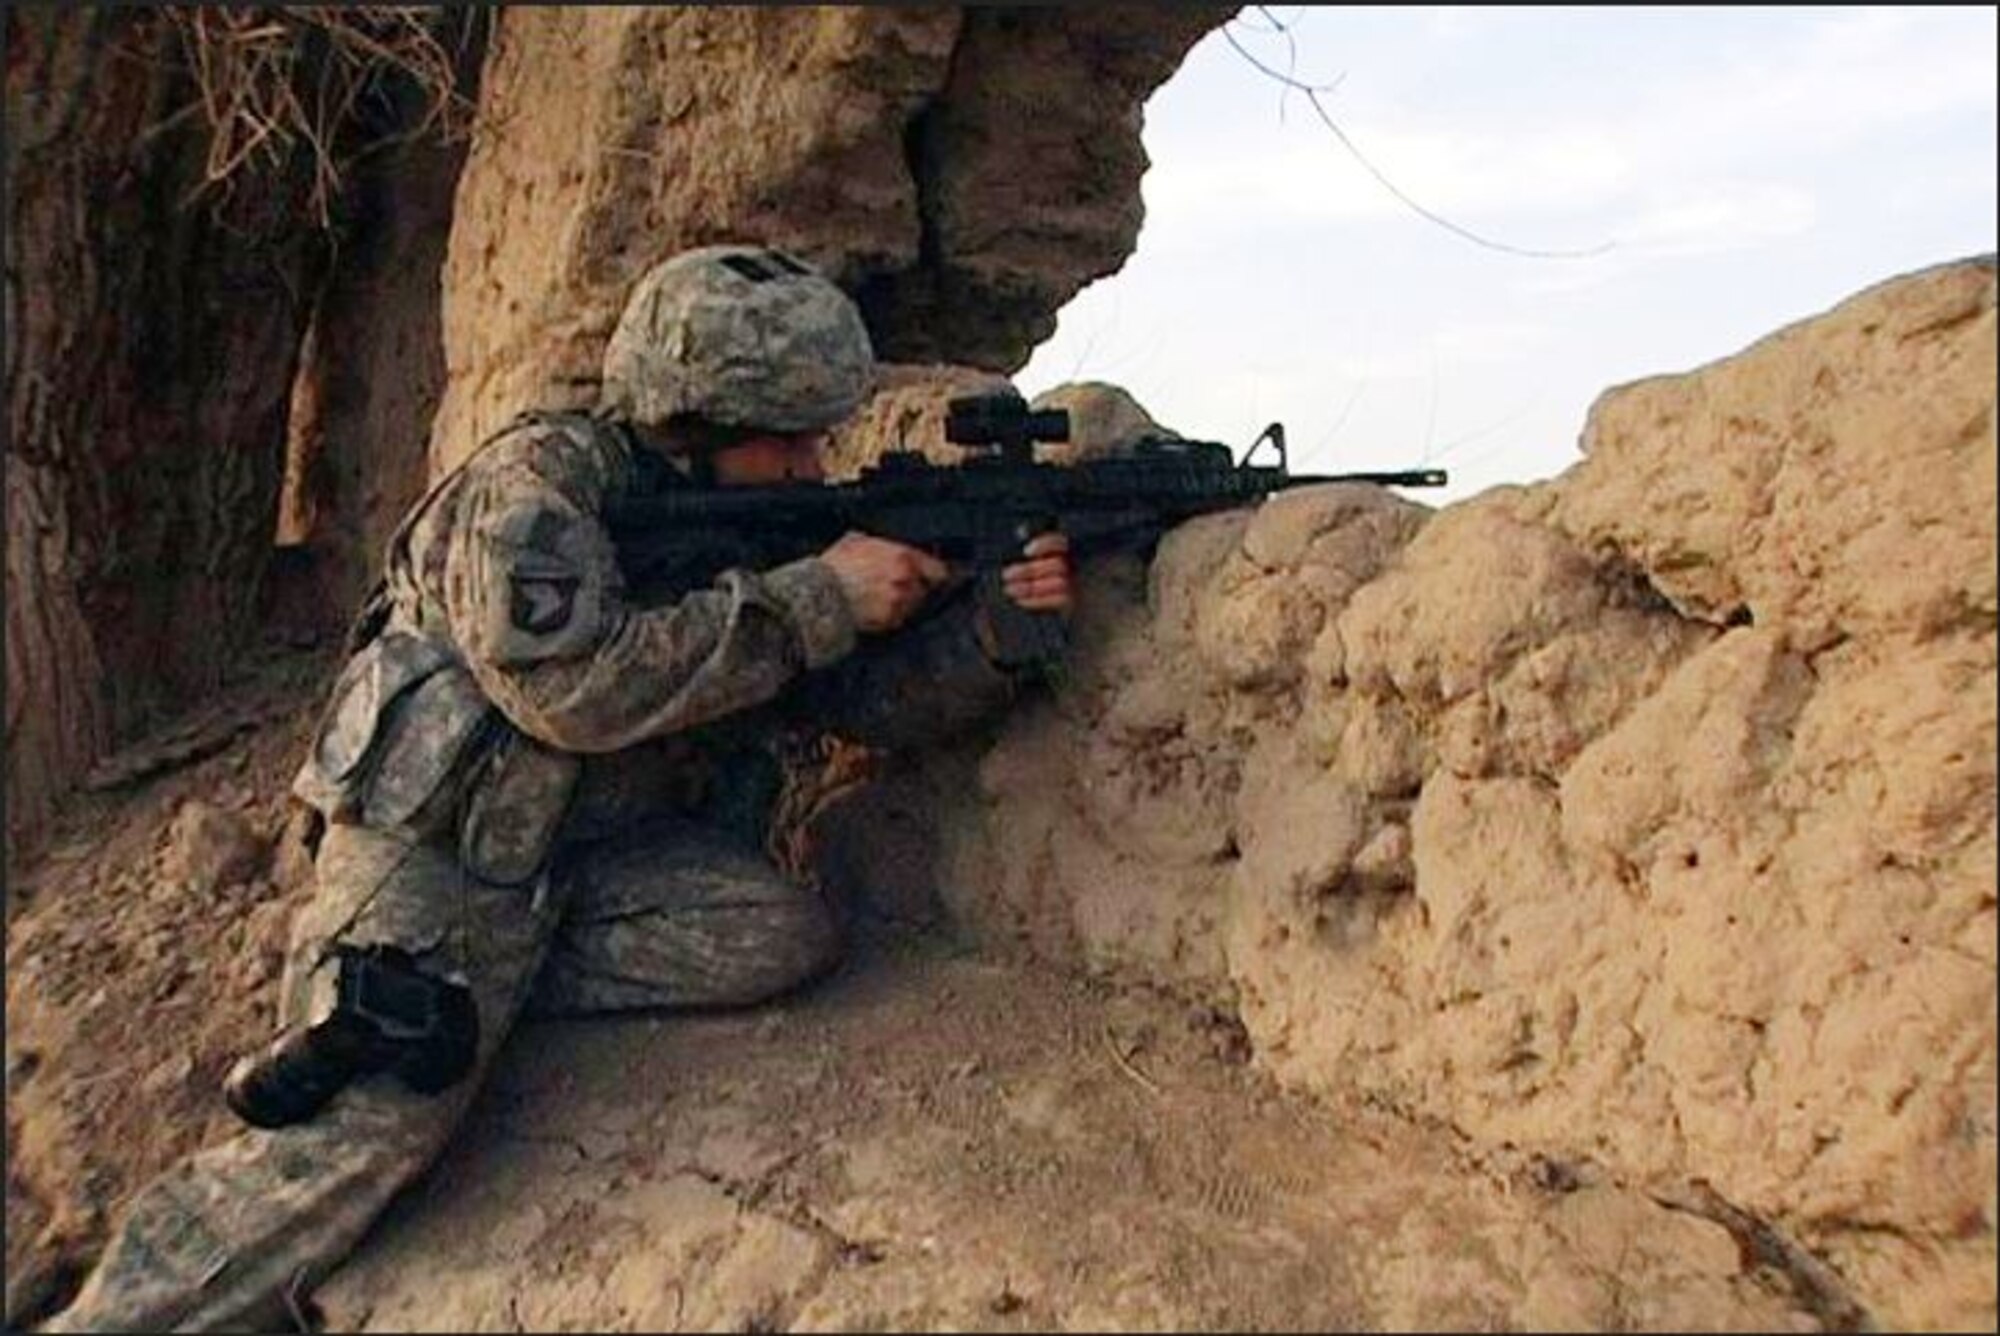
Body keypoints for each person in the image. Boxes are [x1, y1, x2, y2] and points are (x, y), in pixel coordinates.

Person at [45, 243, 1072, 1332]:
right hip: (442, 858)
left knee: (775, 933)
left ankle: (493, 984)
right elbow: (572, 693)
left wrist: (995, 637)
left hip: (579, 864)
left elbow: (854, 705)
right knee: (360, 1141)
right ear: (703, 420)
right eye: (790, 441)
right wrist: (818, 597)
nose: (814, 466)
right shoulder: (533, 493)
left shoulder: (753, 521)